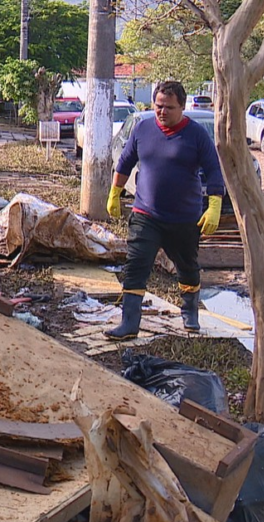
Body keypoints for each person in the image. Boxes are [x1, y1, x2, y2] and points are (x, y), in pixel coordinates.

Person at [104, 81, 224, 340]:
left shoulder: (196, 135)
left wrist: (214, 206)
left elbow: (214, 170)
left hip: (184, 219)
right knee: (136, 264)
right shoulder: (143, 129)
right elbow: (125, 162)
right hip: (146, 214)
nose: (162, 112)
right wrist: (115, 193)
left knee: (187, 267)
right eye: (158, 106)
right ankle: (129, 323)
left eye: (169, 107)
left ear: (182, 107)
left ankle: (190, 312)